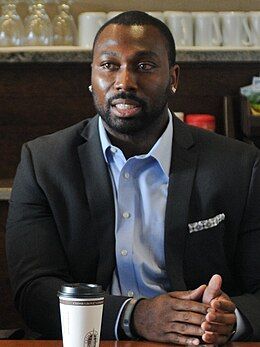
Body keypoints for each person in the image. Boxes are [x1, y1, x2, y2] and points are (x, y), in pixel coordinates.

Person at [6, 10, 260, 345]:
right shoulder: (44, 163)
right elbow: (33, 292)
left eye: (144, 66)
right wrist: (135, 315)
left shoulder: (238, 165)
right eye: (110, 65)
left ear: (173, 77)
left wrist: (231, 318)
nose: (124, 82)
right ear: (91, 76)